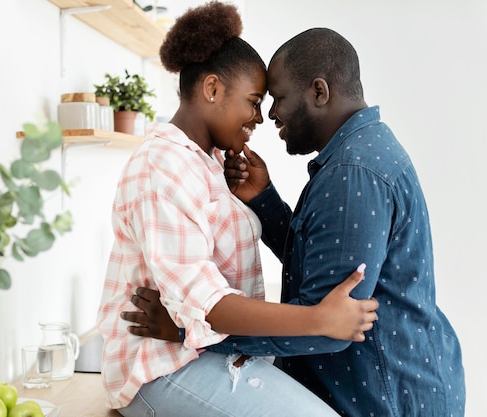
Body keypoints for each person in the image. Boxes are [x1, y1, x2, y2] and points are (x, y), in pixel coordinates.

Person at [124, 27, 466, 417]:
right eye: (258, 101)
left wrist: (189, 332)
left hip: (387, 393)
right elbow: (321, 269)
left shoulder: (353, 171)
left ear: (319, 92)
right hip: (397, 381)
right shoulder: (360, 153)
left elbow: (326, 324)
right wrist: (265, 202)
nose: (268, 115)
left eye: (276, 99)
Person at [96, 3, 378, 417]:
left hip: (201, 354)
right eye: (253, 101)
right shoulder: (162, 165)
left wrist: (257, 196)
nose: (261, 117)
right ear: (212, 90)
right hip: (159, 369)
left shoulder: (204, 162)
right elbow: (209, 304)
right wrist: (318, 319)